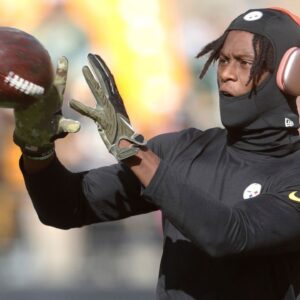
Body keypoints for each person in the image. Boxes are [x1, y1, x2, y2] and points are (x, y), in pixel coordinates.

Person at [12, 7, 300, 300]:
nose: (226, 73)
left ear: (290, 75)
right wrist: (38, 151)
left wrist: (134, 152)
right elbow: (64, 207)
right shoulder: (181, 150)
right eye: (223, 60)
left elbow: (228, 234)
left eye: (244, 62)